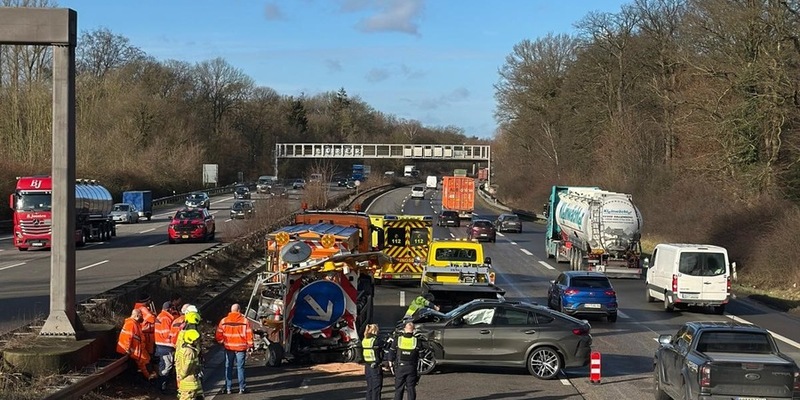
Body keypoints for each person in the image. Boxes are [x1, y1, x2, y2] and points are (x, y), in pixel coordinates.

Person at [215, 303, 254, 394]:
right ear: (239, 310)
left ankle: (228, 388)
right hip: (241, 348)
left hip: (229, 348)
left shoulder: (224, 321)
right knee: (240, 368)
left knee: (228, 367)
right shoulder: (244, 321)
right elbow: (249, 334)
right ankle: (242, 388)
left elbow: (218, 335)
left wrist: (223, 342)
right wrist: (250, 346)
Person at [117, 308, 156, 381]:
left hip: (137, 350)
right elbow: (127, 338)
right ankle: (150, 378)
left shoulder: (134, 323)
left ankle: (150, 377)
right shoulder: (131, 324)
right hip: (134, 351)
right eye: (141, 315)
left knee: (146, 360)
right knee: (144, 362)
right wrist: (127, 350)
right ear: (137, 316)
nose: (143, 317)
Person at [388, 322, 423, 400]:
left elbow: (391, 352)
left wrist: (390, 364)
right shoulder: (417, 341)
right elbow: (421, 355)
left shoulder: (398, 339)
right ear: (413, 330)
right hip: (411, 367)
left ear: (404, 329)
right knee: (411, 388)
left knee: (399, 389)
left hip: (400, 367)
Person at [154, 301, 176, 393]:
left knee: (163, 366)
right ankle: (162, 387)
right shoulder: (166, 318)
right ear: (169, 309)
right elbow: (167, 333)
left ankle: (161, 386)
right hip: (166, 346)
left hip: (160, 344)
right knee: (167, 366)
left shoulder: (160, 316)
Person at [175, 329, 204, 400]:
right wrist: (181, 376)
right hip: (189, 380)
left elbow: (178, 363)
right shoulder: (190, 352)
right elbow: (187, 366)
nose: (197, 341)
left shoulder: (182, 349)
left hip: (185, 380)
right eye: (195, 340)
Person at [362, 324, 385, 400]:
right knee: (377, 387)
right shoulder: (375, 340)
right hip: (375, 366)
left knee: (370, 387)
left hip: (367, 366)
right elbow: (384, 345)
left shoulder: (365, 339)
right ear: (375, 330)